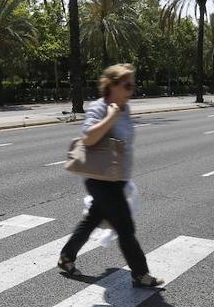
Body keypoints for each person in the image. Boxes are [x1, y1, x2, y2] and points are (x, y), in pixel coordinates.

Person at [58, 64, 163, 288]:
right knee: (125, 228)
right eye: (127, 85)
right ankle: (140, 274)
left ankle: (66, 256)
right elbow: (87, 138)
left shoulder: (125, 108)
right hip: (100, 180)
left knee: (92, 220)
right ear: (112, 85)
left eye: (133, 85)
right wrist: (111, 117)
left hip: (117, 179)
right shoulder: (100, 107)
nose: (131, 90)